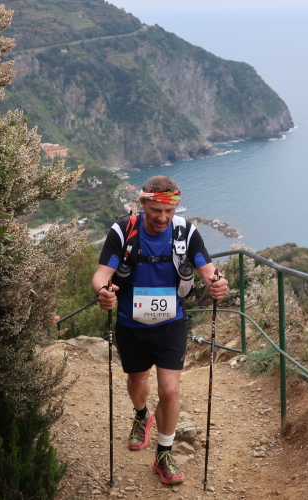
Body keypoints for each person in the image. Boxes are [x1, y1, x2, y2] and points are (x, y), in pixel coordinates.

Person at [92, 175, 229, 485]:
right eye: (156, 210)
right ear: (143, 203)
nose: (163, 218)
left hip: (171, 323)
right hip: (131, 323)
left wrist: (218, 283)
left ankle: (164, 453)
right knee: (137, 381)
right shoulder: (123, 231)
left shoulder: (185, 232)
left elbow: (209, 270)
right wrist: (103, 291)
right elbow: (102, 274)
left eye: (169, 211)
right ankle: (142, 415)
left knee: (170, 390)